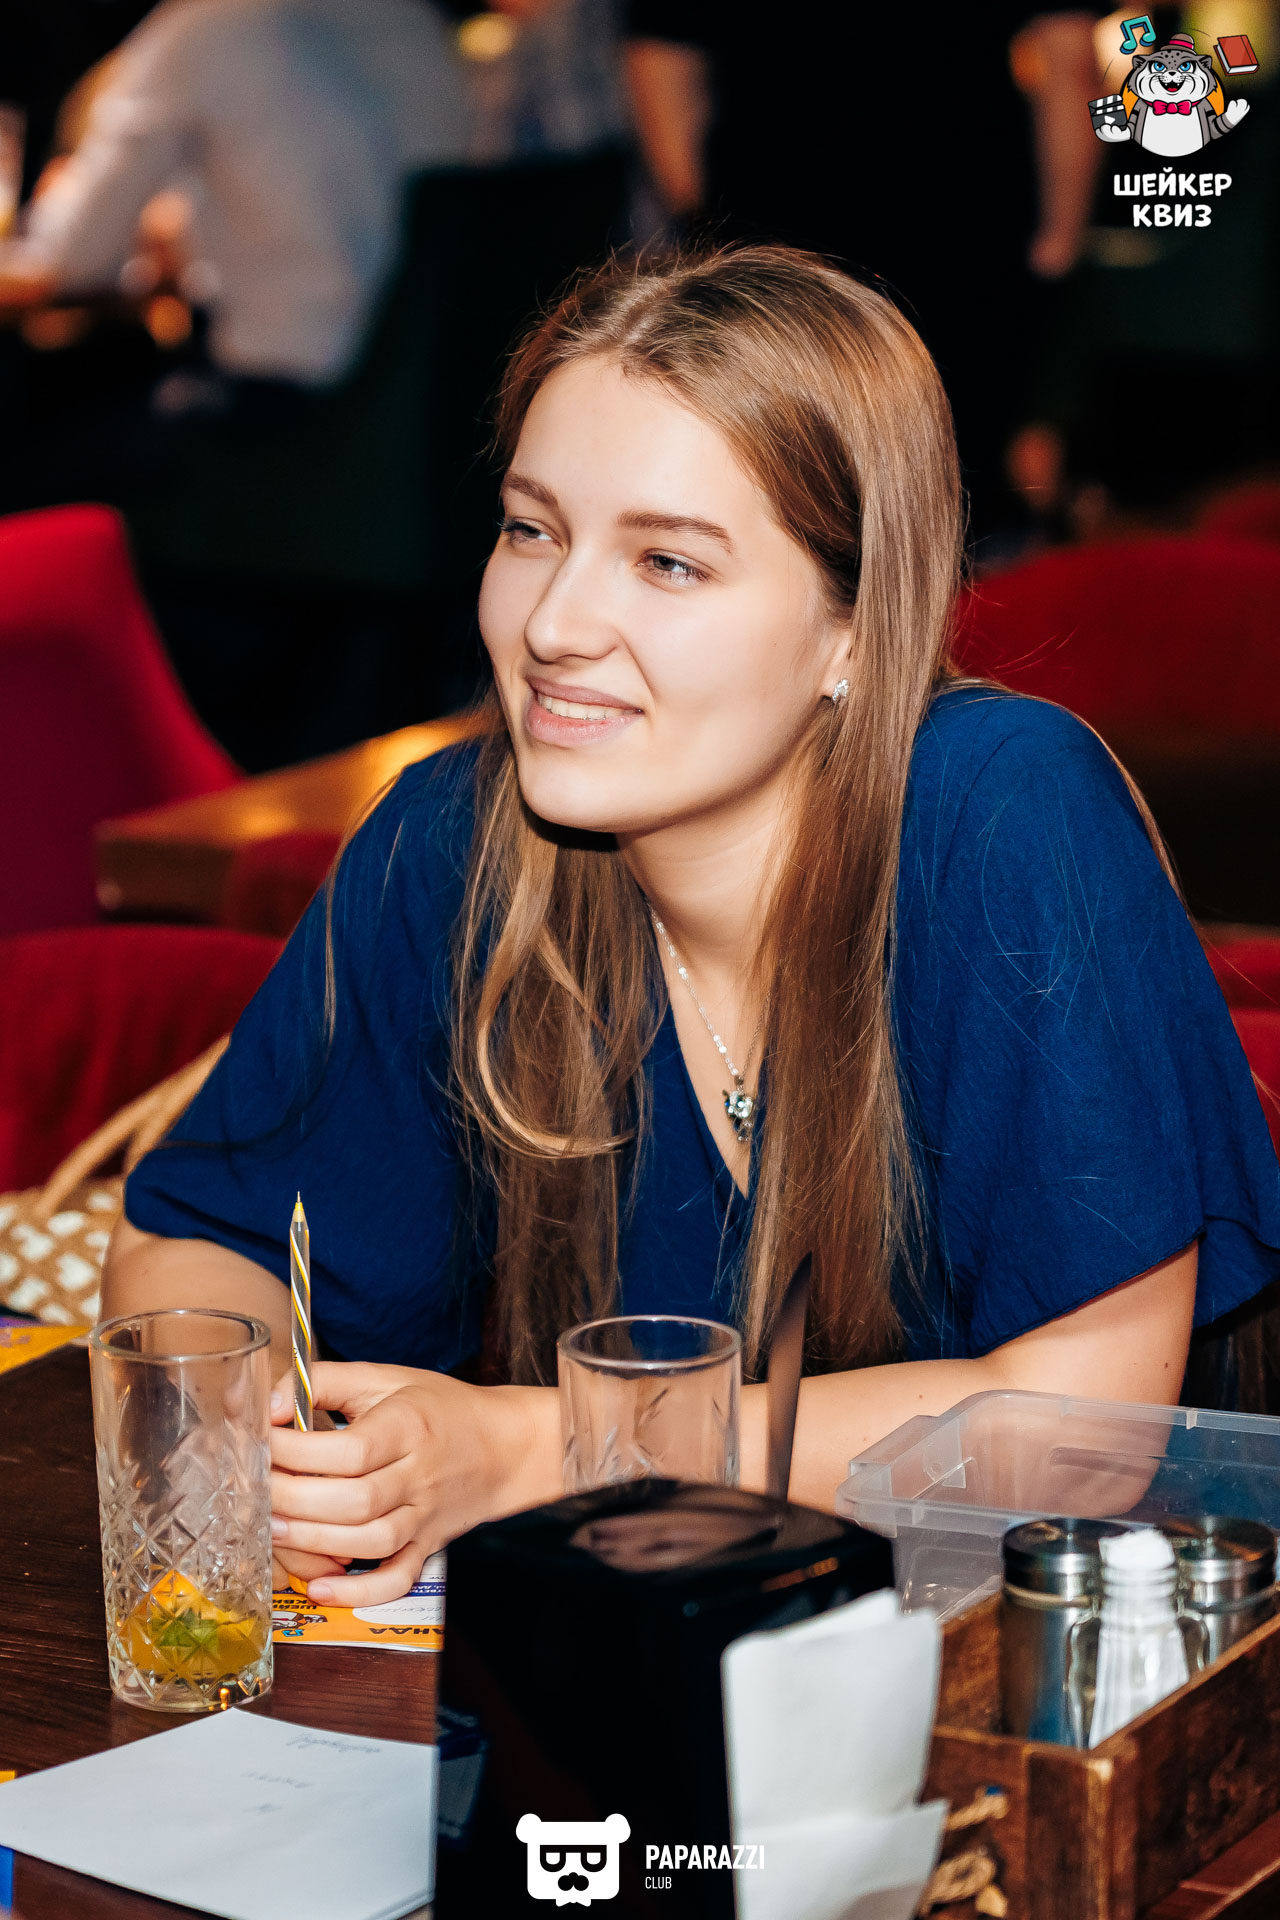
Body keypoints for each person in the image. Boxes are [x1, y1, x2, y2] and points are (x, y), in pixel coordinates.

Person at [103, 247, 1280, 1606]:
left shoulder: (1008, 815)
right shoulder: (456, 842)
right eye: (531, 529)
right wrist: (273, 1445)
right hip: (641, 1659)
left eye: (666, 562)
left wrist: (544, 1445)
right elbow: (193, 1252)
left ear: (855, 630)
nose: (554, 623)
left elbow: (1082, 1435)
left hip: (1065, 1662)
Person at [622, 4, 1104, 540]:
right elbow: (1072, 63)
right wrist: (1059, 244)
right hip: (960, 224)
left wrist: (701, 227)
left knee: (784, 497)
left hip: (775, 224)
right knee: (952, 502)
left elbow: (661, 61)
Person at [0, 0, 472, 383]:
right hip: (442, 387)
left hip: (290, 394)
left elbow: (71, 259)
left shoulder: (204, 29)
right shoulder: (416, 20)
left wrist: (63, 198)